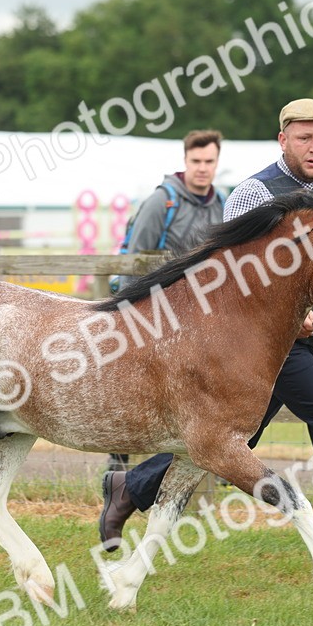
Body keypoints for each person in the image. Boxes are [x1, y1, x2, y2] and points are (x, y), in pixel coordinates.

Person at [100, 98, 313, 584]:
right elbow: (228, 275)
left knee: (229, 441)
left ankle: (130, 488)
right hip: (254, 345)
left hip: (302, 339)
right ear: (283, 139)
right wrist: (296, 311)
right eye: (304, 137)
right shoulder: (253, 193)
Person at [106, 129, 226, 473]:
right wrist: (129, 317)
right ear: (185, 161)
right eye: (196, 161)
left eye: (209, 161)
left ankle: (213, 462)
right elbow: (132, 259)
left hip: (198, 315)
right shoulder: (163, 201)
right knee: (132, 390)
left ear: (217, 163)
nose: (202, 168)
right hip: (151, 310)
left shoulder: (220, 204)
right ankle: (117, 466)